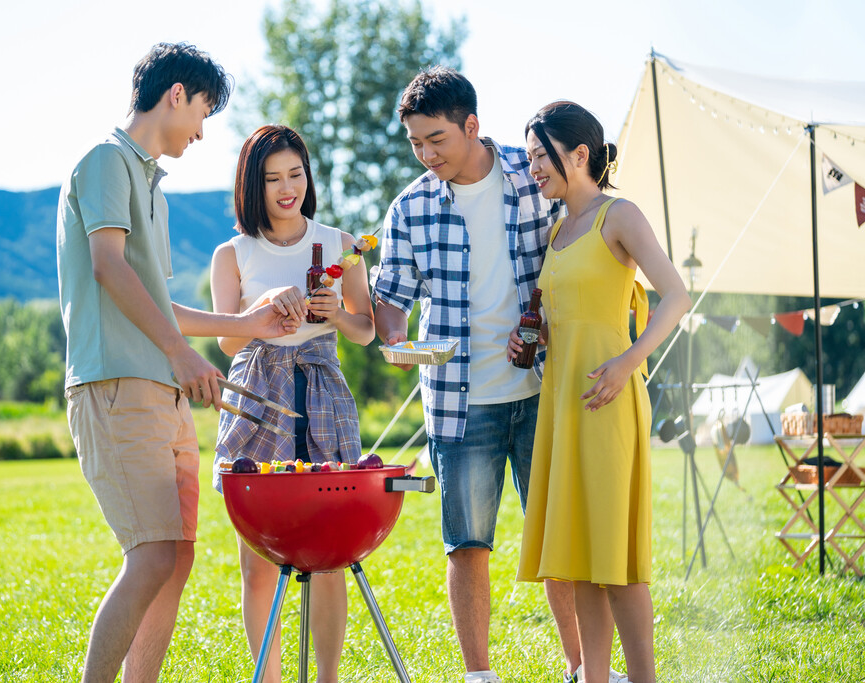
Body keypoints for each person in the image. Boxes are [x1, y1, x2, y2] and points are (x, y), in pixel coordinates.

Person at [56, 43, 299, 683]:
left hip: (159, 394)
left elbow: (157, 301)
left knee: (175, 555)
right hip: (117, 386)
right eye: (204, 112)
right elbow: (109, 269)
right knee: (151, 554)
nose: (201, 130)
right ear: (177, 93)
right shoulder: (107, 161)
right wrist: (177, 352)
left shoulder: (151, 184)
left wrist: (243, 326)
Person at [372, 66, 600, 683]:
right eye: (416, 143)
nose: (426, 154)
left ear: (472, 126)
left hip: (541, 389)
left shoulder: (532, 178)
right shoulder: (411, 208)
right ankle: (480, 676)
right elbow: (389, 300)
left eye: (437, 139)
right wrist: (395, 338)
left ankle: (583, 668)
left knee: (559, 537)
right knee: (467, 542)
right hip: (457, 401)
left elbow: (580, 238)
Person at [514, 101, 691, 683]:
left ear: (579, 154)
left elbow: (675, 295)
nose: (533, 167)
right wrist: (533, 340)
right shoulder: (559, 227)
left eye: (542, 156)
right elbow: (567, 314)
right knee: (581, 557)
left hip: (610, 400)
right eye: (531, 157)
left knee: (615, 560)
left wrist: (629, 361)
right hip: (563, 404)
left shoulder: (620, 215)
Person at [209, 124, 375, 683]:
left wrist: (336, 314)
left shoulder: (341, 243)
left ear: (309, 175)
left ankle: (327, 678)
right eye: (272, 179)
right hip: (258, 394)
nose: (286, 189)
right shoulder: (232, 252)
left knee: (329, 557)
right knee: (258, 566)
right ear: (251, 186)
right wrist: (260, 306)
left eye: (296, 175)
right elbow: (228, 341)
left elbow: (365, 332)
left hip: (322, 389)